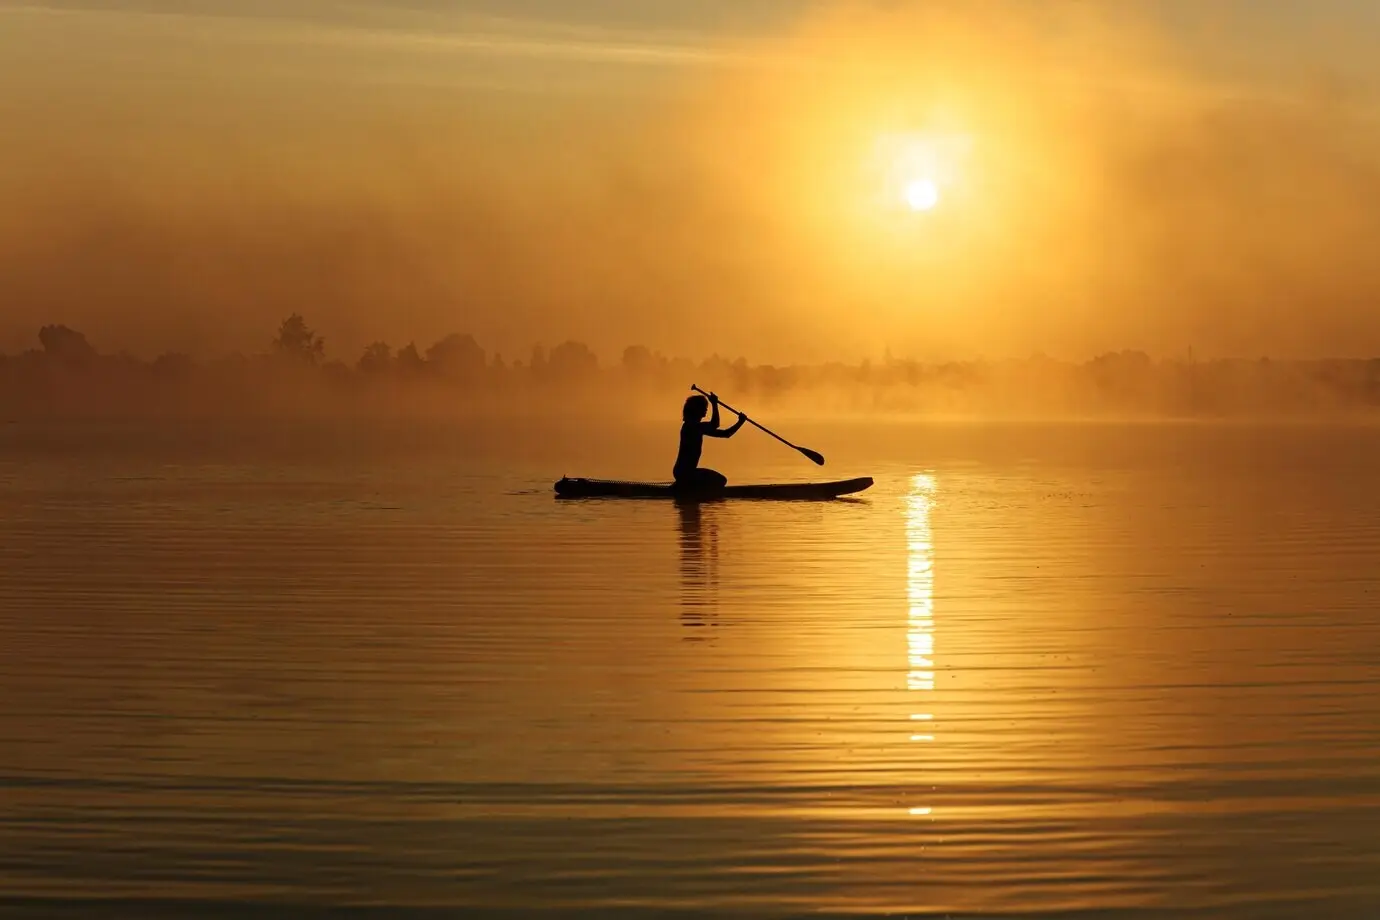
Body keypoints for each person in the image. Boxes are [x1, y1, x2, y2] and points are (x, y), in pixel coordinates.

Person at [674, 391, 747, 490]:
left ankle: (689, 488)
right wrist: (714, 404)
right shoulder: (691, 426)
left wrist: (740, 422)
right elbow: (715, 424)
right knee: (721, 480)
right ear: (696, 409)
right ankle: (693, 491)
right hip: (685, 473)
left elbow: (726, 434)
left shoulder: (696, 427)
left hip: (685, 472)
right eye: (704, 407)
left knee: (721, 480)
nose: (706, 409)